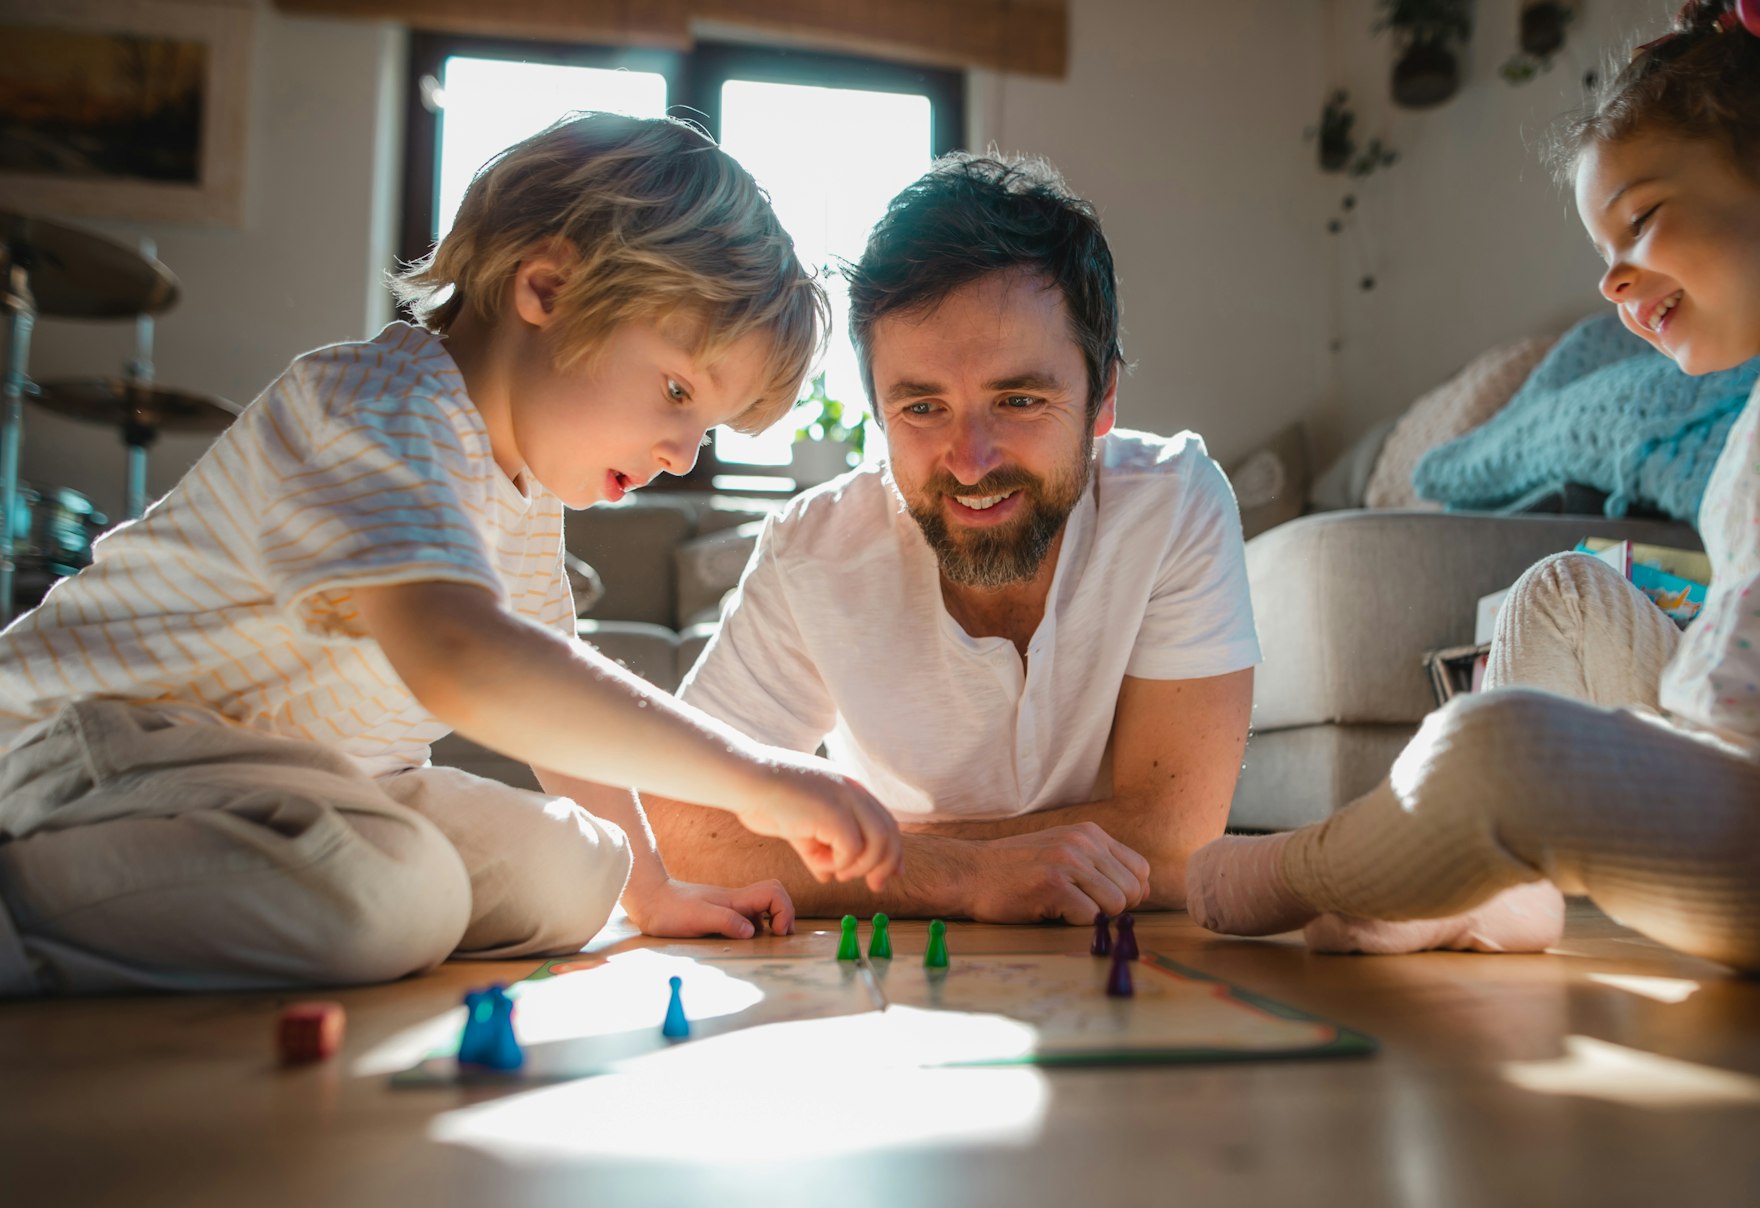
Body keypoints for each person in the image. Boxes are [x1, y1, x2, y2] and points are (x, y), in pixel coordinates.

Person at [1185, 0, 1760, 1035]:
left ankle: (1310, 865)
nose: (1611, 279)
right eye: (1604, 245)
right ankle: (1491, 889)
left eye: (1642, 218)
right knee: (1565, 592)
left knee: (1496, 744)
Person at [0, 113, 901, 997]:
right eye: (675, 390)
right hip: (89, 754)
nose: (681, 453)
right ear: (546, 289)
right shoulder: (378, 407)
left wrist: (653, 890)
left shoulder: (521, 487)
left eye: (702, 427)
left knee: (580, 871)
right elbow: (462, 658)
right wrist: (756, 778)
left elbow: (555, 691)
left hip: (312, 782)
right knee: (396, 900)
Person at [641, 154, 1261, 924]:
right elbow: (681, 821)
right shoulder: (812, 552)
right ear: (877, 414)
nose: (970, 461)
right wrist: (962, 873)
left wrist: (891, 858)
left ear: (1102, 397)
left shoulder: (1176, 505)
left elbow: (1172, 837)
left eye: (1020, 398)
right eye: (923, 408)